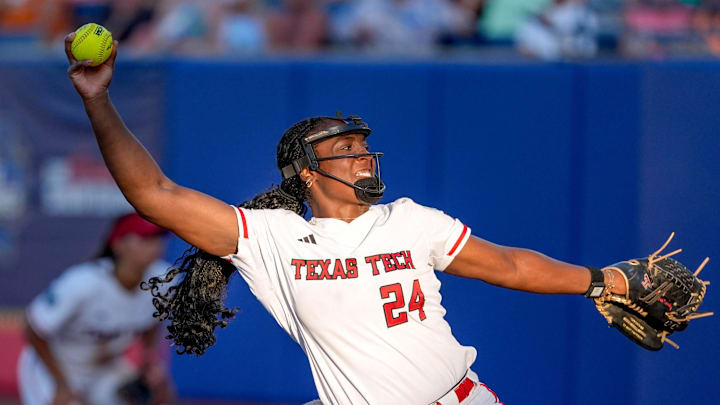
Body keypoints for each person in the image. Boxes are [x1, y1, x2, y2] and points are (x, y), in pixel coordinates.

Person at [63, 35, 628, 405]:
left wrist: (602, 280)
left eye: (364, 144)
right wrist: (98, 100)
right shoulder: (272, 239)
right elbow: (153, 192)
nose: (363, 153)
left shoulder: (411, 220)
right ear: (307, 172)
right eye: (347, 146)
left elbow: (507, 265)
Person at [17, 213, 175, 405]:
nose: (154, 245)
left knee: (156, 397)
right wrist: (61, 384)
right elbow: (34, 327)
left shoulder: (164, 280)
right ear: (118, 244)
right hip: (56, 366)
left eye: (158, 238)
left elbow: (151, 319)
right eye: (145, 238)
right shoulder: (84, 283)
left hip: (104, 368)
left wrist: (150, 361)